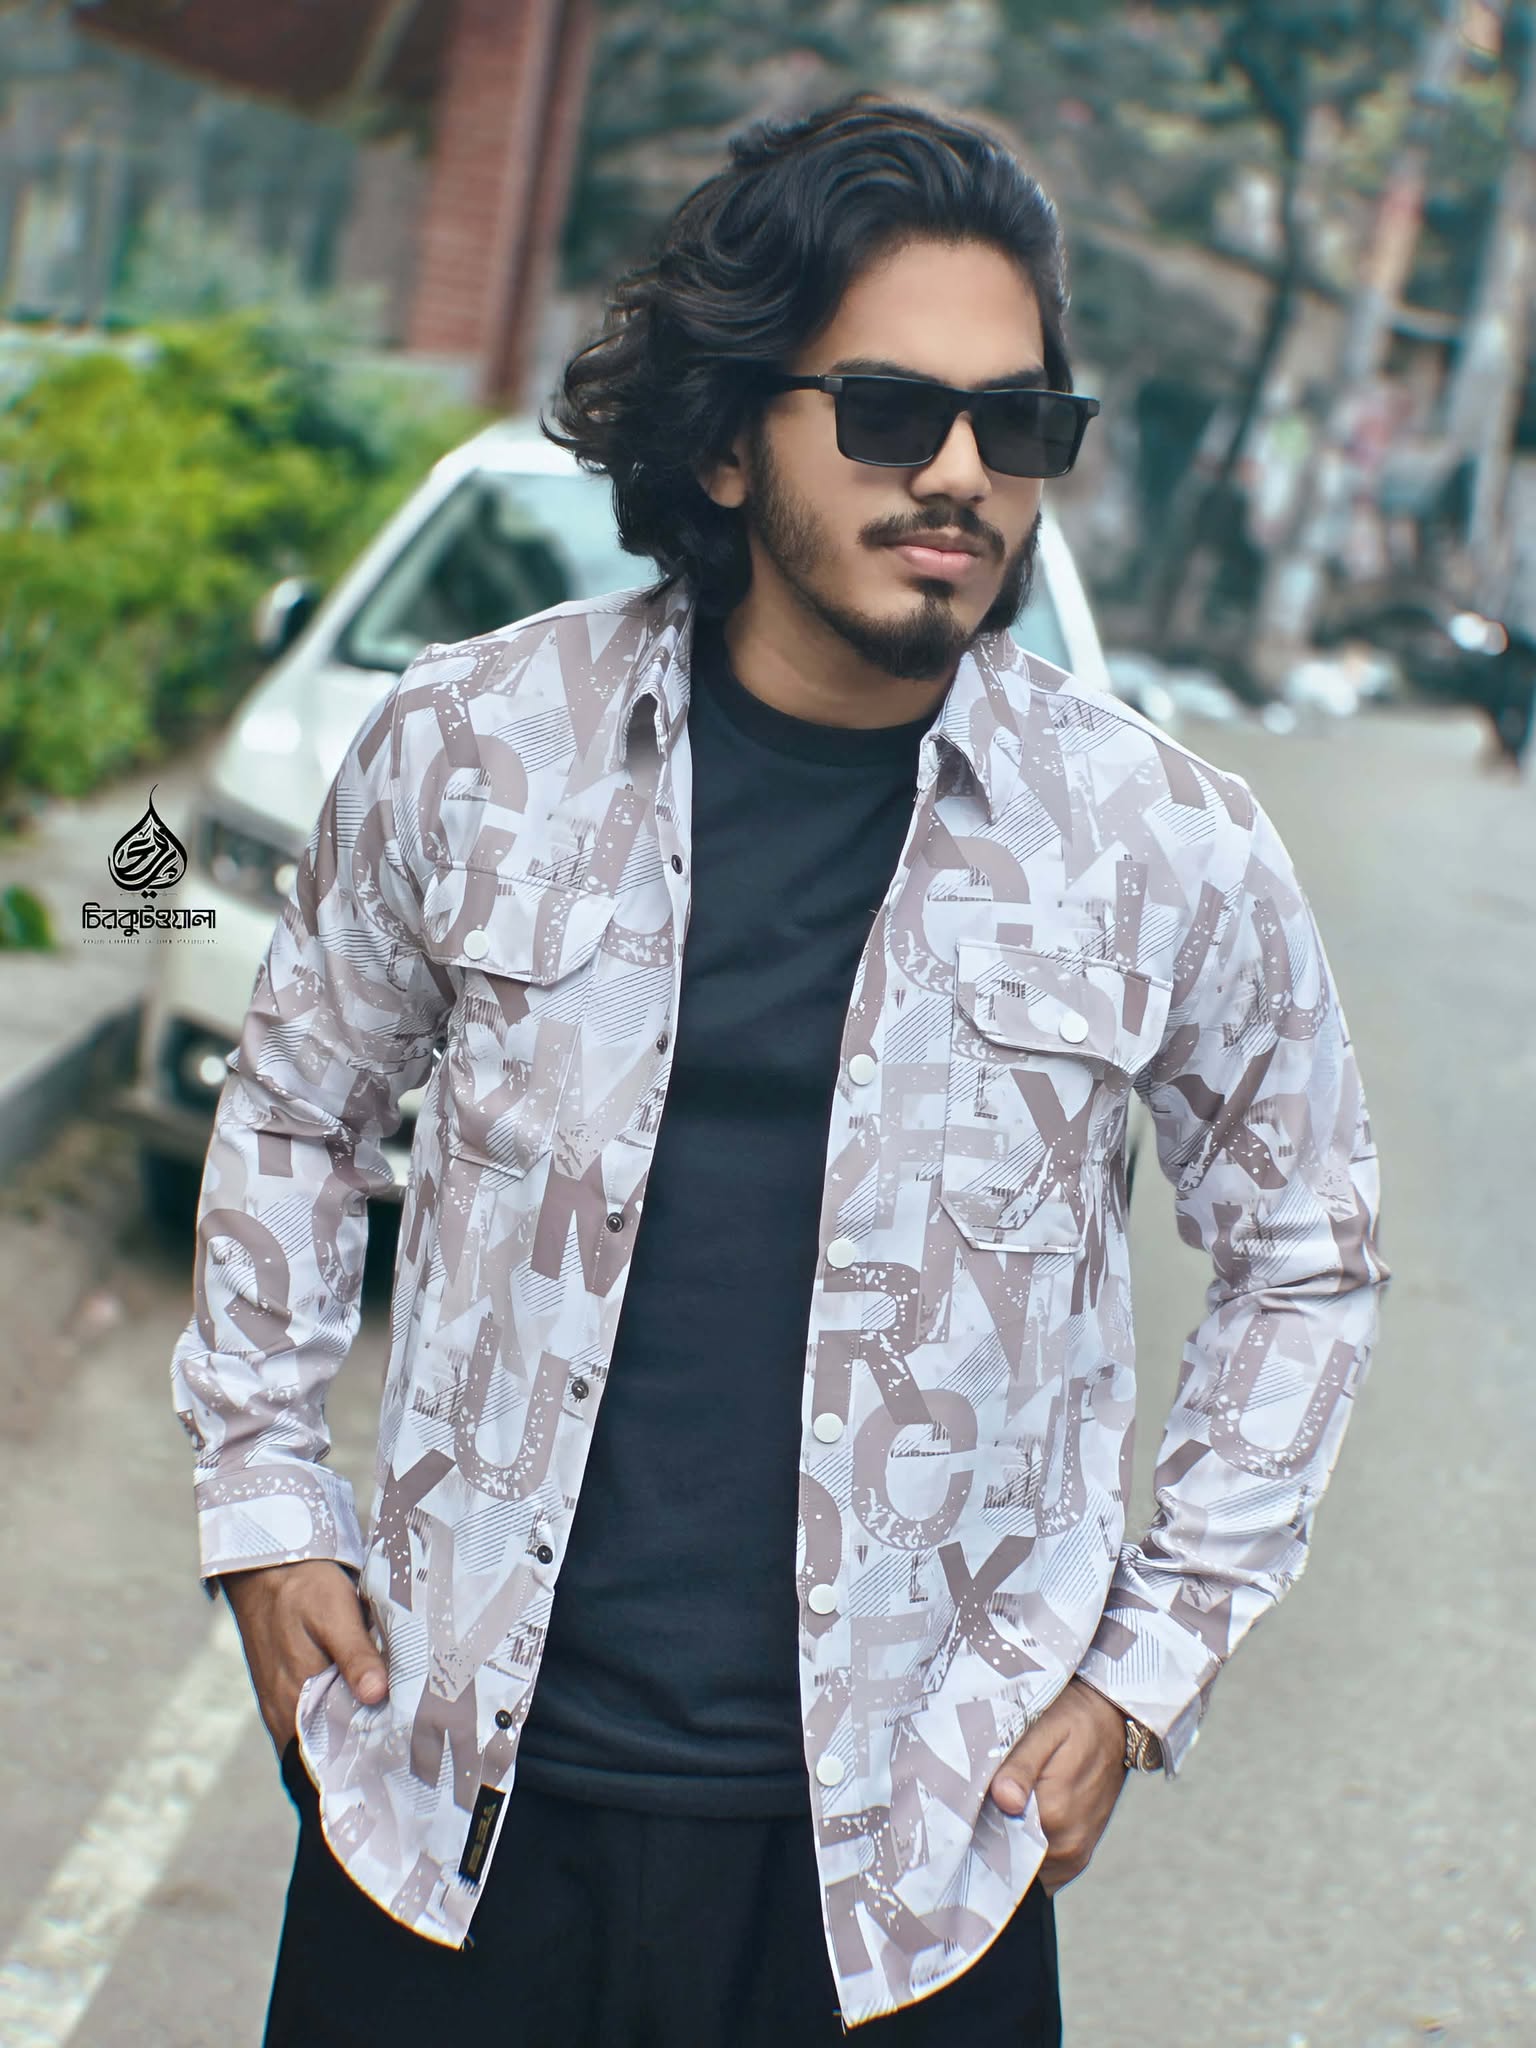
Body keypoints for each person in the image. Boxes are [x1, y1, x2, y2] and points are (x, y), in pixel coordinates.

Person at [171, 91, 1390, 2047]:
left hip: (909, 1880)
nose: (963, 473)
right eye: (894, 411)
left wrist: (1145, 1668)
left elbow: (1307, 1257)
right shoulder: (473, 749)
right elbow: (298, 1113)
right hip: (453, 1808)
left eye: (1019, 424)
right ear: (731, 437)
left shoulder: (1163, 845)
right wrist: (265, 1503)